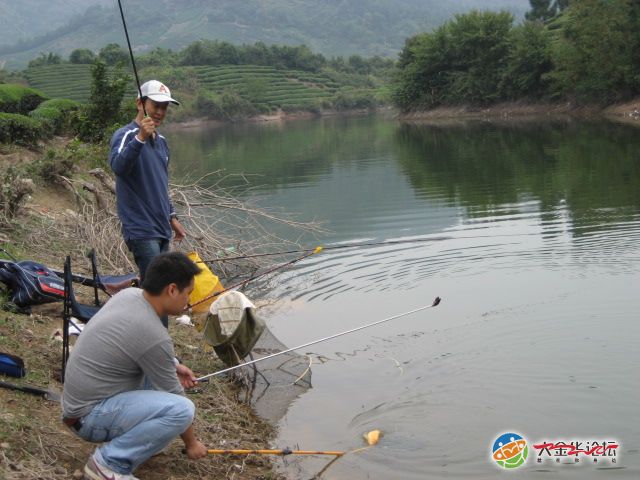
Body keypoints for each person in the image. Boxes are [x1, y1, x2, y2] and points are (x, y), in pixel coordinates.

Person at [61, 252, 208, 480]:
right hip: (87, 417)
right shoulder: (152, 333)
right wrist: (192, 443)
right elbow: (175, 394)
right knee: (182, 410)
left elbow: (135, 345)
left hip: (77, 403)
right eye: (187, 293)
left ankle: (140, 441)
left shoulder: (130, 295)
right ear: (171, 290)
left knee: (163, 380)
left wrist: (173, 365)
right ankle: (109, 464)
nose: (188, 301)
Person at [109, 80, 187, 291]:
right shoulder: (125, 135)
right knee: (159, 289)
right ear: (140, 104)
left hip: (161, 227)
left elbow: (160, 184)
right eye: (155, 105)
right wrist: (140, 137)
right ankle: (154, 325)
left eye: (164, 107)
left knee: (152, 287)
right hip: (141, 228)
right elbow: (118, 167)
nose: (160, 112)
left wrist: (172, 218)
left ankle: (138, 319)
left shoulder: (162, 142)